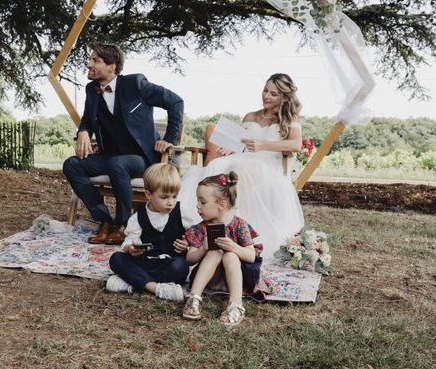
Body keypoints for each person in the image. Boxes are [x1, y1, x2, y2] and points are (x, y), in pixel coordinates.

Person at [63, 42, 184, 244]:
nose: (89, 64)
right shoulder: (91, 89)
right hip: (111, 156)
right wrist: (83, 132)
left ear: (112, 66)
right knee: (72, 165)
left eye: (95, 60)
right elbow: (87, 119)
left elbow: (176, 102)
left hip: (142, 159)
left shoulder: (135, 84)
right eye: (90, 59)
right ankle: (104, 221)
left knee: (116, 164)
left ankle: (123, 224)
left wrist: (168, 140)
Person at [178, 73, 304, 257]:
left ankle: (234, 227)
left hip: (266, 164)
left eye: (274, 94)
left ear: (285, 97)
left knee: (241, 171)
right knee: (216, 166)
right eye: (265, 90)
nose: (266, 96)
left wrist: (262, 145)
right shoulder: (250, 116)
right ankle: (203, 224)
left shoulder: (290, 119)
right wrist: (231, 148)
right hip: (241, 158)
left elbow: (295, 145)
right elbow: (239, 142)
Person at [182, 172, 264, 326]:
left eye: (203, 202)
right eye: (197, 201)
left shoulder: (240, 225)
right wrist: (203, 248)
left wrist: (233, 247)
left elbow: (251, 256)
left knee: (230, 255)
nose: (197, 206)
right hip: (211, 279)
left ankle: (235, 305)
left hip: (237, 278)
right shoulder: (201, 228)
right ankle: (194, 298)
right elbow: (189, 259)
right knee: (215, 251)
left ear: (222, 205)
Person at [106, 163, 195, 301]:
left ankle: (132, 281)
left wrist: (187, 243)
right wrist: (131, 248)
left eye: (174, 196)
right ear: (148, 194)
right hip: (146, 262)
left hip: (169, 263)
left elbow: (194, 235)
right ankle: (156, 288)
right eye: (164, 197)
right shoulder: (138, 217)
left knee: (181, 267)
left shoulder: (182, 211)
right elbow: (130, 239)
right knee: (116, 258)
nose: (171, 202)